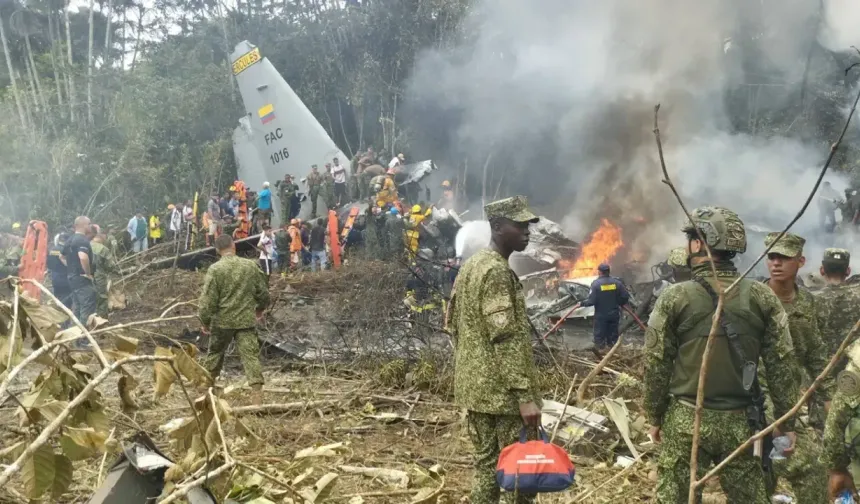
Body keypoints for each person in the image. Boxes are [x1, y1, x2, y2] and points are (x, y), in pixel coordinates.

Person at [644, 206, 799, 503]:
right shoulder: (761, 295)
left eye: (691, 237)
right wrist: (786, 423)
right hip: (743, 423)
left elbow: (656, 363)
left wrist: (654, 415)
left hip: (687, 421)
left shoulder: (675, 297)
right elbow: (782, 365)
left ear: (700, 243)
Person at [448, 195, 542, 504]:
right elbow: (505, 339)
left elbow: (452, 324)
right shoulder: (497, 273)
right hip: (503, 398)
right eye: (520, 226)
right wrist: (525, 398)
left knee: (486, 467)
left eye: (528, 226)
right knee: (519, 475)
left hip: (475, 390)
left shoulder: (472, 265)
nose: (527, 232)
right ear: (498, 227)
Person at [761, 232, 831, 503]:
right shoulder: (754, 300)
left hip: (789, 398)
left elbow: (815, 353)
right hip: (755, 397)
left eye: (784, 258)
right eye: (772, 257)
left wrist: (828, 397)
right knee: (768, 467)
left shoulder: (807, 304)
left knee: (808, 468)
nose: (776, 263)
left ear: (800, 261)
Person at [198, 234, 269, 405]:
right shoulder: (250, 266)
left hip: (222, 321)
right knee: (250, 356)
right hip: (245, 321)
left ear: (217, 250)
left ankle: (204, 390)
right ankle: (257, 396)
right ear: (234, 246)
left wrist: (204, 321)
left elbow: (208, 300)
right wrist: (259, 310)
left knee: (215, 353)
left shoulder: (215, 270)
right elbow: (263, 293)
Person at [815, 248, 860, 358]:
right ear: (848, 271)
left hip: (822, 367)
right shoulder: (858, 295)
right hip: (853, 367)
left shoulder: (811, 299)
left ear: (822, 270)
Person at [63, 216, 98, 331]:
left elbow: (61, 256)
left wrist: (71, 268)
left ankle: (74, 336)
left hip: (72, 278)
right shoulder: (82, 240)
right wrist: (87, 273)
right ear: (83, 225)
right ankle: (83, 339)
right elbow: (83, 257)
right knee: (86, 307)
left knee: (77, 307)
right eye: (89, 224)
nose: (90, 226)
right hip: (82, 279)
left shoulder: (70, 240)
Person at [91, 232, 118, 318]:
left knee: (90, 296)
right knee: (102, 296)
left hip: (85, 275)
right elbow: (111, 265)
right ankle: (101, 318)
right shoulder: (103, 249)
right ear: (102, 237)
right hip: (99, 275)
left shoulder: (86, 244)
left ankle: (90, 317)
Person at [47, 233, 72, 311]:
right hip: (65, 280)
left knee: (57, 300)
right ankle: (64, 322)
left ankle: (57, 318)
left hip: (55, 279)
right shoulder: (66, 250)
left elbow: (49, 264)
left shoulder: (52, 250)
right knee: (66, 304)